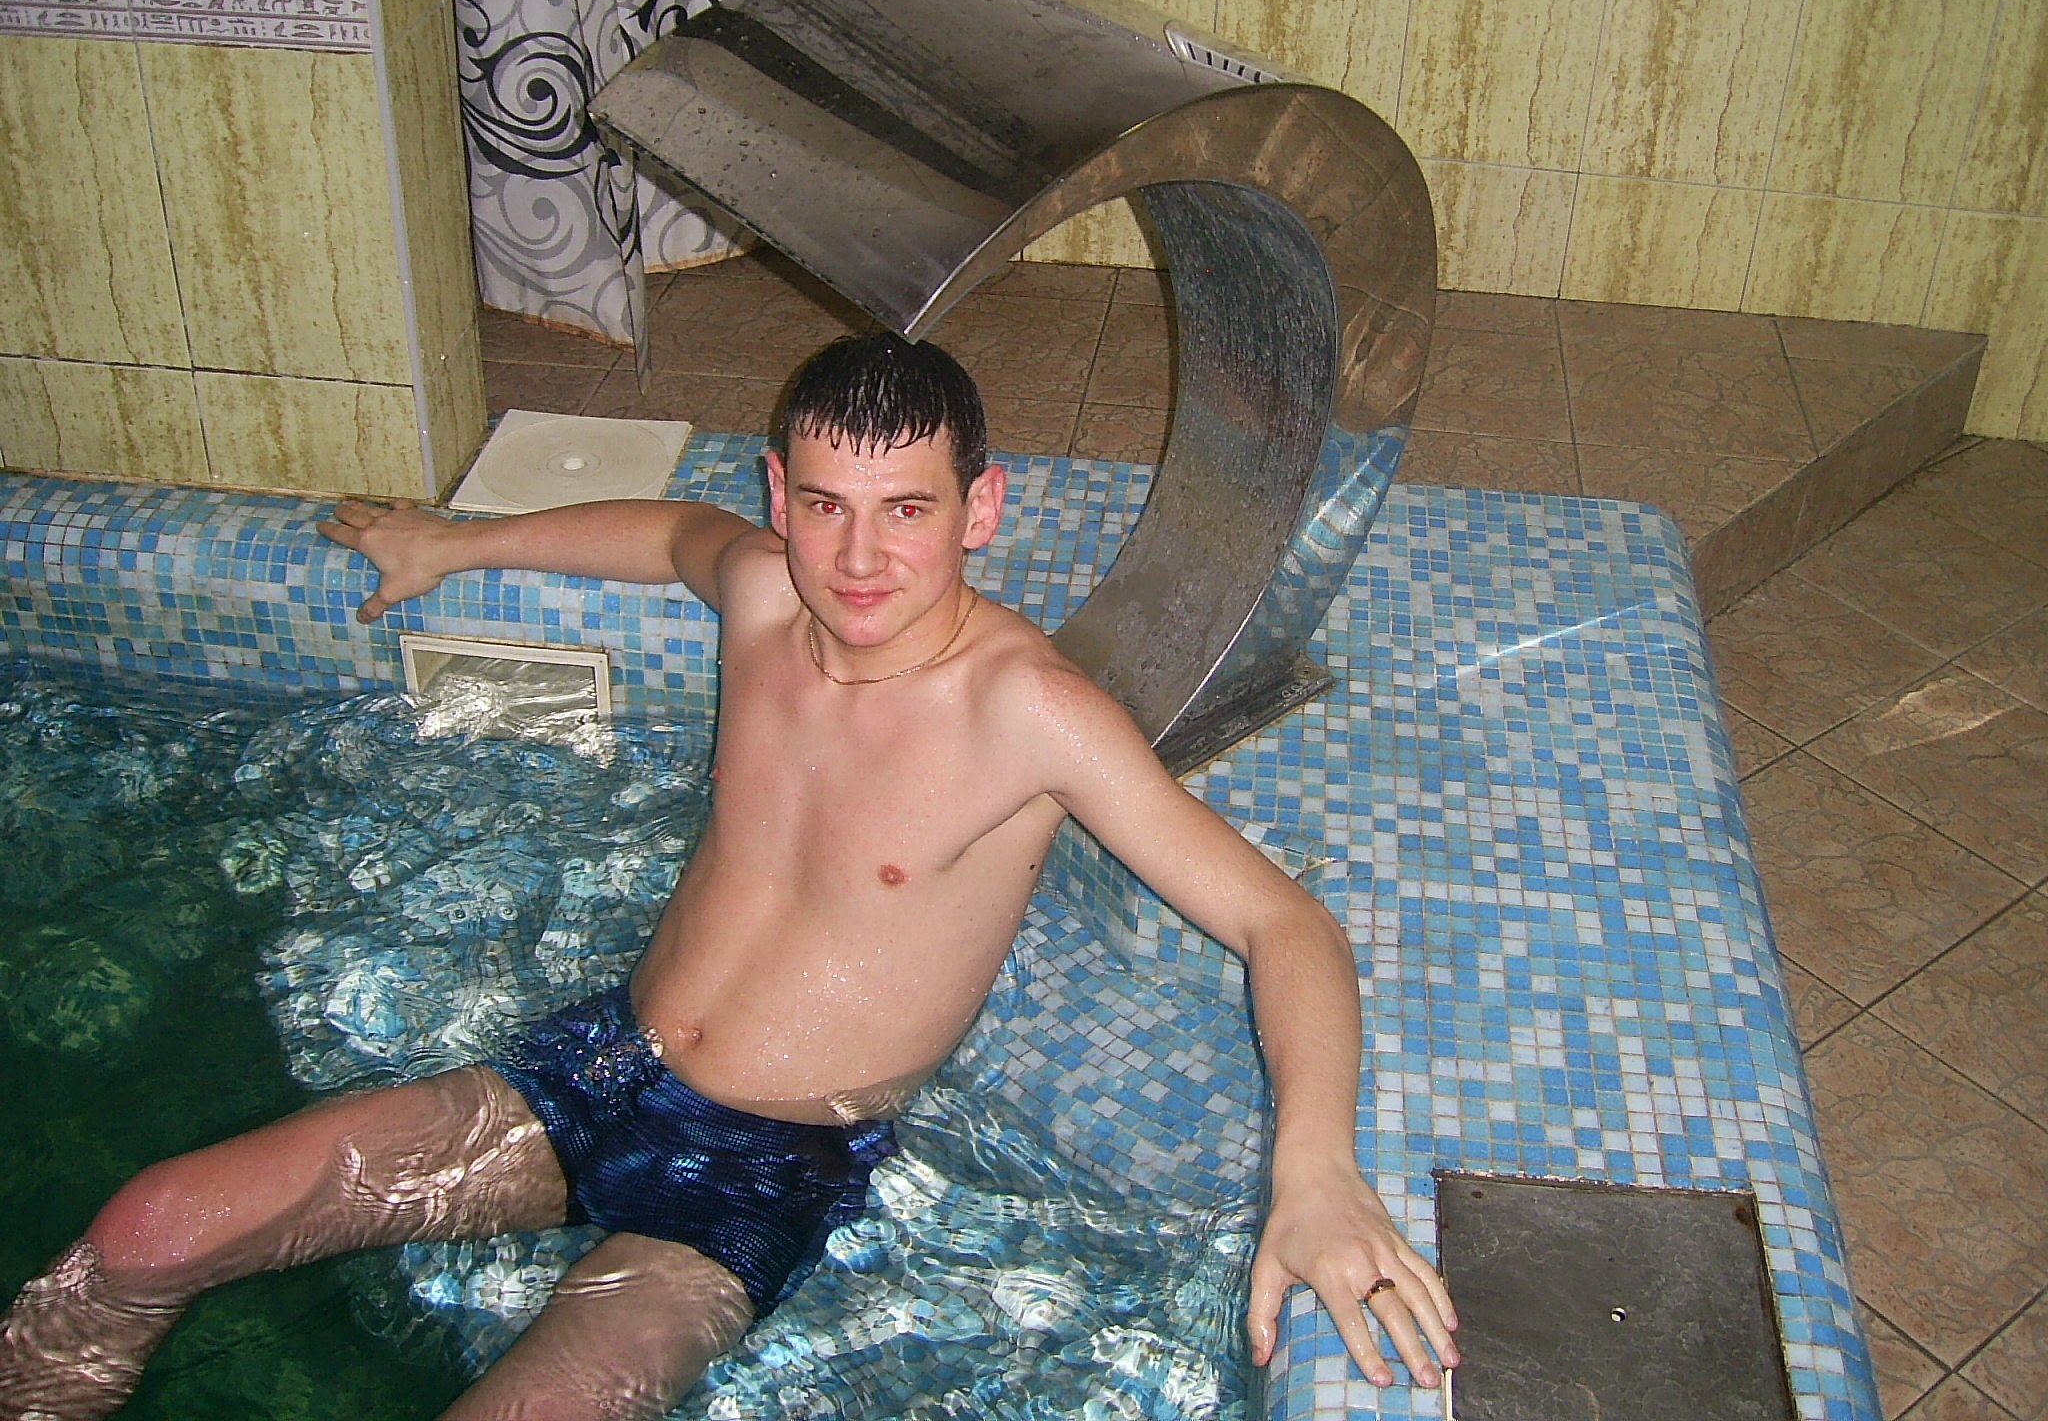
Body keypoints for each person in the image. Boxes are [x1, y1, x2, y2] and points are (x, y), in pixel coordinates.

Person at [0, 332, 1457, 1419]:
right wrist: (456, 543)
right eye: (825, 505)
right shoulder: (764, 592)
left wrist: (1316, 1173)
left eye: (907, 509)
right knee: (147, 1227)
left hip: (761, 1169)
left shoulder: (1030, 715)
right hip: (592, 1067)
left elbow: (1283, 921)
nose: (860, 558)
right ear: (781, 493)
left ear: (981, 508)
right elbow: (669, 536)